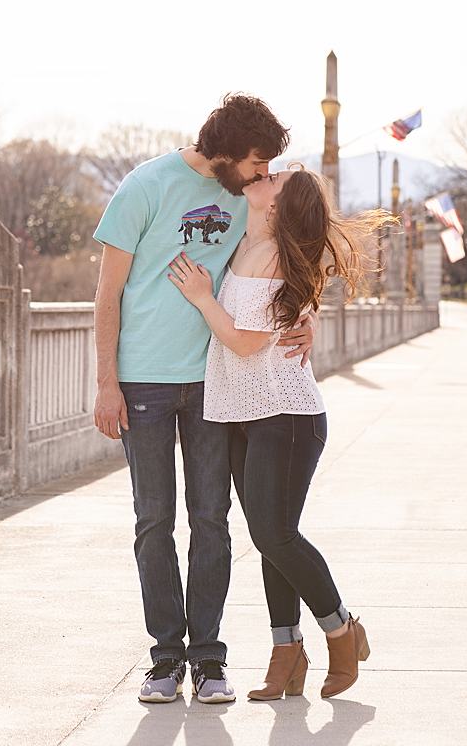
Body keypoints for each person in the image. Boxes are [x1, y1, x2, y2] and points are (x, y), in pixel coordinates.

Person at [92, 94, 315, 704]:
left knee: (212, 521)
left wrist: (307, 316)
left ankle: (209, 659)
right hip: (144, 382)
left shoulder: (247, 198)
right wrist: (106, 382)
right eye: (254, 164)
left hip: (215, 383)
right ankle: (165, 658)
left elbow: (290, 256)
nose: (262, 175)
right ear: (224, 153)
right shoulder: (145, 187)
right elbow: (107, 293)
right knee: (154, 519)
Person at [166, 165, 392, 701]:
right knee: (271, 539)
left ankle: (341, 630)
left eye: (275, 179)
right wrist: (308, 312)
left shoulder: (271, 258)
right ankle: (286, 653)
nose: (262, 176)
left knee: (274, 535)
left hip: (286, 417)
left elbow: (245, 342)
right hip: (244, 415)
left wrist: (202, 297)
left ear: (277, 205)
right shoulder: (247, 242)